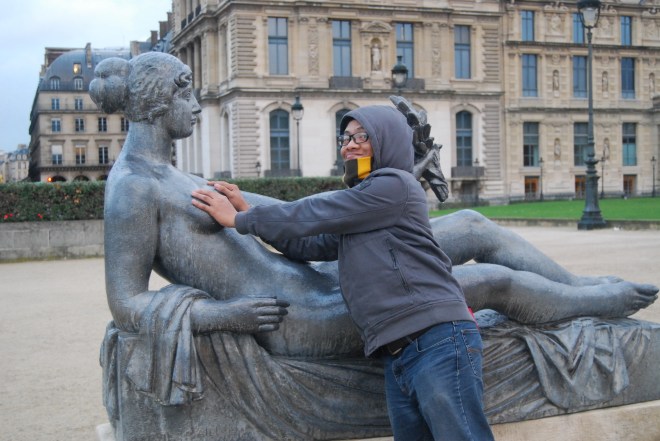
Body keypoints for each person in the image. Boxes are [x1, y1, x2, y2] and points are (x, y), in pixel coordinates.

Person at [192, 105, 496, 440]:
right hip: (398, 353)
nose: (349, 145)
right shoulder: (363, 206)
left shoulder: (395, 185)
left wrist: (239, 220)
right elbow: (310, 244)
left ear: (386, 139)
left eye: (362, 136)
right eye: (345, 138)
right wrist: (248, 211)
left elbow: (316, 211)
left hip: (436, 340)